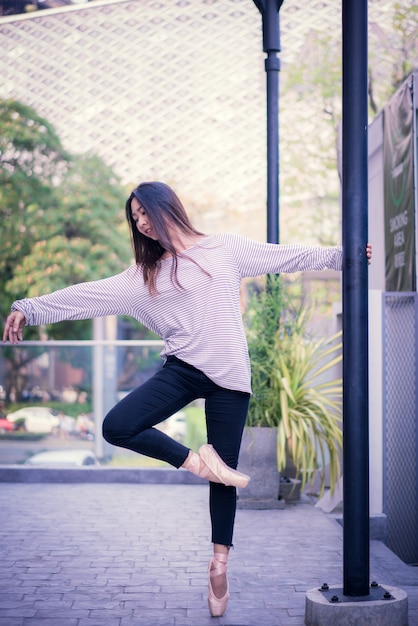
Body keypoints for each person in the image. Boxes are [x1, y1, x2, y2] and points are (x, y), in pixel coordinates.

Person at [3, 181, 372, 617]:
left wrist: (342, 255)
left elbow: (285, 256)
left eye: (144, 212)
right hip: (181, 370)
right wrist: (31, 307)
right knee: (117, 425)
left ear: (166, 208)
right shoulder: (143, 278)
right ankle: (198, 463)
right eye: (134, 217)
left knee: (225, 478)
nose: (140, 222)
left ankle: (219, 564)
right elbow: (86, 295)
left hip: (230, 376)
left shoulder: (224, 249)